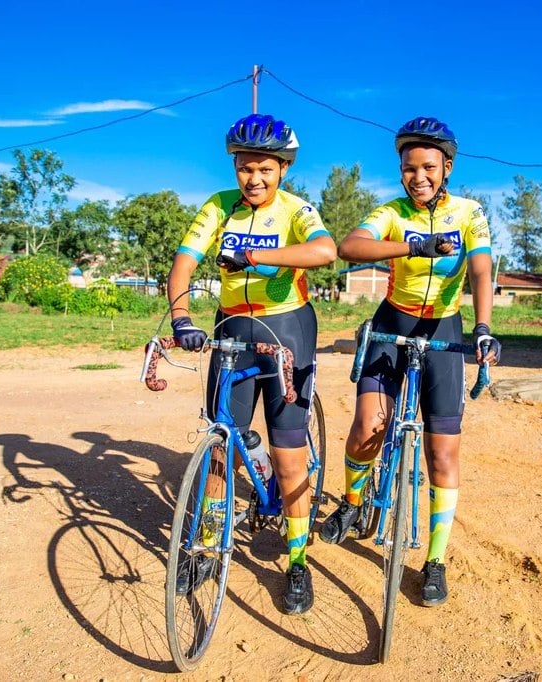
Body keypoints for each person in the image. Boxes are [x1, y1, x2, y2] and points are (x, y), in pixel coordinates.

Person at [319, 116, 502, 607]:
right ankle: (354, 505)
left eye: (427, 166)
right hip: (392, 322)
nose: (417, 176)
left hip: (444, 325)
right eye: (407, 168)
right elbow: (348, 247)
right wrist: (412, 245)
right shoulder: (392, 212)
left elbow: (481, 267)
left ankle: (436, 559)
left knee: (443, 453)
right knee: (367, 426)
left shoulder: (469, 212)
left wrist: (483, 328)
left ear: (446, 166)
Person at [166, 113, 337, 615]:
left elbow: (325, 250)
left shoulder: (296, 208)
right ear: (235, 167)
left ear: (282, 168)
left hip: (287, 328)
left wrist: (260, 260)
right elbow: (183, 264)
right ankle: (204, 548)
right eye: (245, 168)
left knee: (288, 458)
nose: (254, 178)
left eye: (265, 168)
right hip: (231, 328)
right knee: (221, 448)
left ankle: (298, 563)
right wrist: (181, 319)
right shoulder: (218, 207)